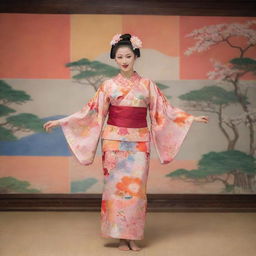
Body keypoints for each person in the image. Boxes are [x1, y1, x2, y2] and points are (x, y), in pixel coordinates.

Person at [43, 33, 208, 251]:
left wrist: (189, 118)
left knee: (136, 190)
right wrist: (63, 122)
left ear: (135, 56)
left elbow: (164, 110)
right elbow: (91, 112)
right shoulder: (108, 85)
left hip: (139, 142)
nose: (124, 60)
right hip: (113, 143)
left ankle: (132, 235)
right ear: (114, 58)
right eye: (119, 56)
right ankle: (120, 237)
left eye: (128, 56)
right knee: (115, 189)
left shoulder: (148, 85)